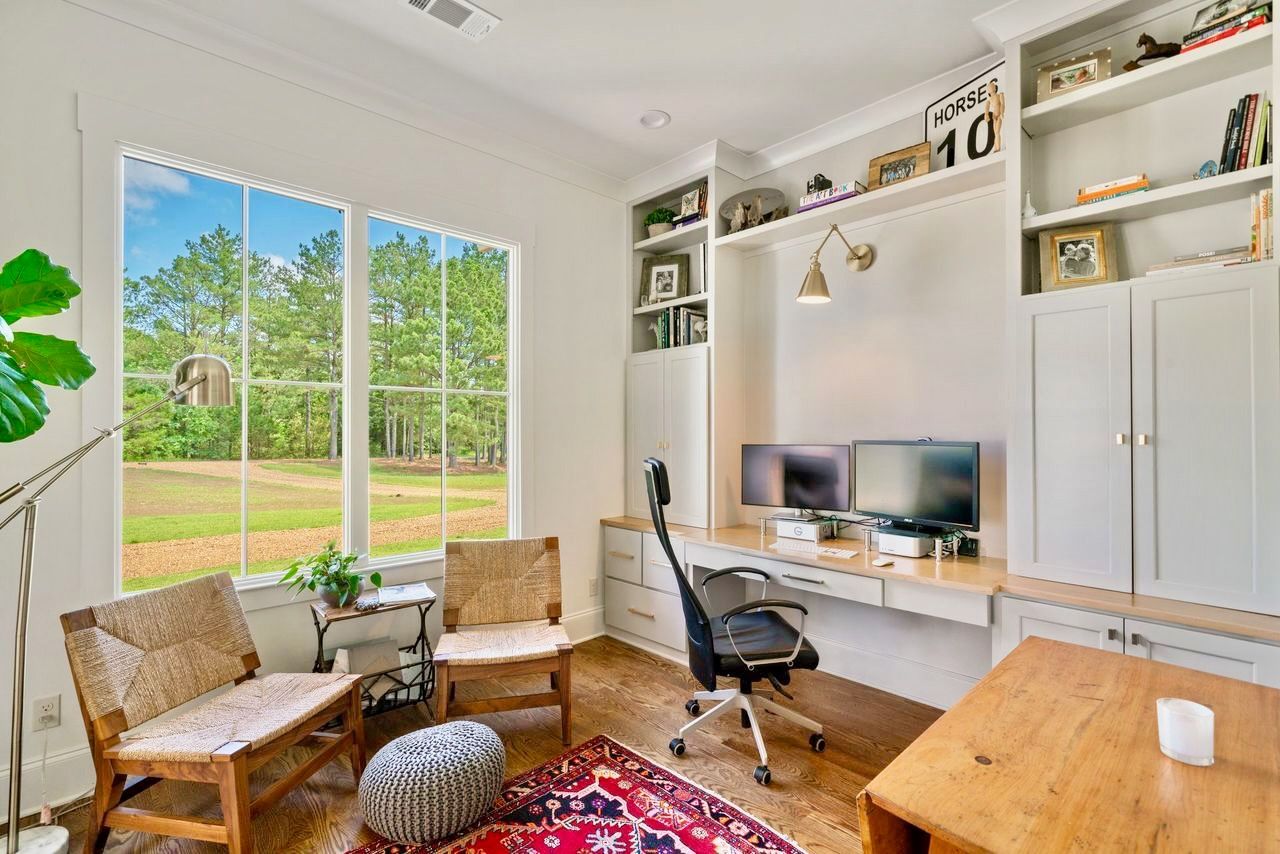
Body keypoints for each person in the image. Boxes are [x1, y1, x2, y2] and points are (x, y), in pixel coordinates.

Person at [985, 79, 1005, 153]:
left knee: (997, 132)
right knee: (995, 133)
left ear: (995, 88)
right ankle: (996, 147)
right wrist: (986, 114)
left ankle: (998, 148)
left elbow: (1002, 104)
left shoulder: (1000, 95)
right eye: (989, 88)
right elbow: (986, 108)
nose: (991, 89)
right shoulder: (989, 100)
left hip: (999, 115)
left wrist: (1002, 113)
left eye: (992, 87)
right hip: (994, 117)